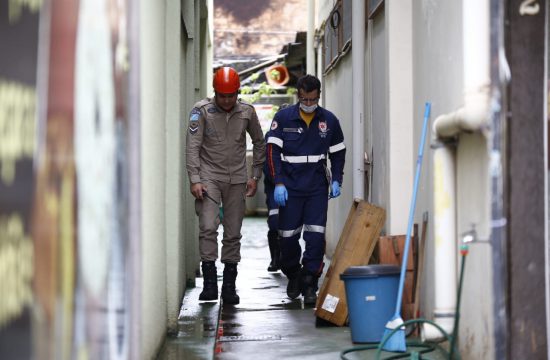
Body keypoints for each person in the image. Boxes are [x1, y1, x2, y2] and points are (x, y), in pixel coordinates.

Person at [186, 66, 266, 305]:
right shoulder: (201, 112)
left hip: (238, 179)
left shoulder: (247, 112)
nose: (227, 100)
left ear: (237, 92)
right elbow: (192, 147)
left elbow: (260, 143)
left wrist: (255, 176)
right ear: (215, 92)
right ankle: (210, 284)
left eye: (231, 95)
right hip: (209, 177)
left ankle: (229, 286)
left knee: (233, 233)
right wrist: (195, 179)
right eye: (222, 95)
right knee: (208, 226)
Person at [266, 74, 346, 305]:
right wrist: (278, 182)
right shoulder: (283, 118)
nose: (308, 104)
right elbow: (272, 153)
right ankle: (293, 273)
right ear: (298, 96)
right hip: (290, 186)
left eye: (312, 100)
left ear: (318, 96)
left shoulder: (329, 121)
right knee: (288, 237)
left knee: (315, 236)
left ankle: (310, 280)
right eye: (304, 99)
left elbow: (338, 153)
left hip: (316, 187)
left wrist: (336, 179)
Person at [263, 130, 280, 272]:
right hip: (274, 187)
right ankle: (275, 258)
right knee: (274, 223)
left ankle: (288, 258)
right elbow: (267, 164)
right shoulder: (270, 137)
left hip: (294, 187)